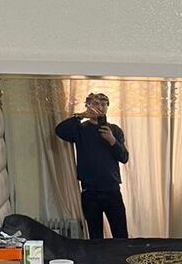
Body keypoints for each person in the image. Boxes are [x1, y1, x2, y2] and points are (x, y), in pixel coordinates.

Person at [54, 92, 130, 238]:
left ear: (107, 107)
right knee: (95, 238)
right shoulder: (80, 129)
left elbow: (124, 158)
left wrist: (112, 141)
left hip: (112, 190)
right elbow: (60, 131)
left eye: (103, 104)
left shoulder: (114, 130)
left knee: (121, 235)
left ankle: (120, 254)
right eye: (95, 103)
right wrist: (80, 116)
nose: (100, 107)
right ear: (88, 105)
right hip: (90, 192)